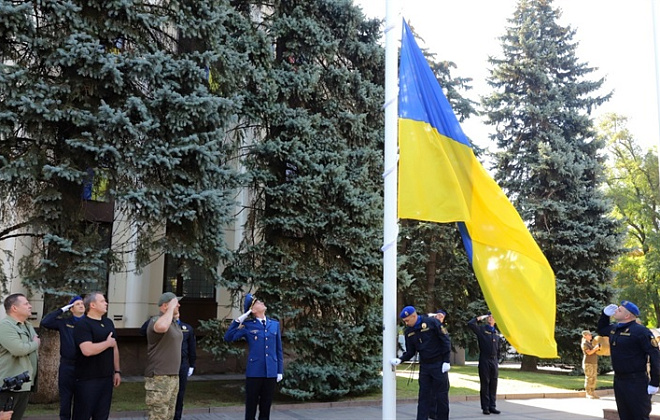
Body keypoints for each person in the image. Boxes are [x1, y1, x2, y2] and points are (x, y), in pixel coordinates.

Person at [597, 300, 660, 420]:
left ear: (627, 316)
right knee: (624, 415)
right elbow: (602, 329)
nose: (616, 310)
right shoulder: (615, 329)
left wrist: (654, 382)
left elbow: (655, 356)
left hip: (636, 381)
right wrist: (604, 315)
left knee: (639, 415)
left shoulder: (641, 332)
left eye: (619, 310)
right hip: (619, 380)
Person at [224, 293, 284, 420]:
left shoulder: (274, 324)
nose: (262, 303)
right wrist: (242, 317)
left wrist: (279, 370)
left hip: (271, 372)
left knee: (265, 407)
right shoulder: (249, 325)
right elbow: (228, 337)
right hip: (255, 371)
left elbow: (278, 349)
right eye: (258, 302)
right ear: (253, 309)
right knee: (251, 406)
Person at [390, 306, 451, 420]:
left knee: (441, 396)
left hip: (439, 364)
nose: (406, 323)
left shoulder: (432, 323)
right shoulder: (409, 331)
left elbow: (445, 340)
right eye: (404, 321)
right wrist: (401, 359)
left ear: (414, 316)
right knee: (423, 397)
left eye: (407, 320)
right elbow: (411, 351)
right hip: (425, 366)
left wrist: (446, 361)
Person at [139, 309, 197, 420]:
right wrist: (156, 319)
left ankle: (177, 417)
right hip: (164, 364)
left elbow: (191, 347)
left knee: (178, 395)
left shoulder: (186, 328)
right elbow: (143, 331)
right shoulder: (159, 323)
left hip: (182, 364)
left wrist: (192, 364)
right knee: (163, 399)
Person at [72, 292, 121, 420]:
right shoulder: (83, 324)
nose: (106, 303)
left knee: (102, 416)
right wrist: (107, 343)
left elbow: (114, 347)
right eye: (102, 301)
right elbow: (87, 350)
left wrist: (117, 371)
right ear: (92, 305)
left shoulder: (108, 322)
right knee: (82, 415)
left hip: (106, 379)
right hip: (87, 380)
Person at [40, 295, 86, 420]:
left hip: (85, 366)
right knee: (66, 398)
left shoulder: (88, 322)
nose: (81, 305)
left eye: (82, 303)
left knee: (82, 398)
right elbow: (45, 322)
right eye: (77, 304)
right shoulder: (65, 323)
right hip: (67, 366)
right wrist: (62, 309)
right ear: (71, 308)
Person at [0, 293, 40, 420]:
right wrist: (35, 343)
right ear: (14, 308)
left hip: (24, 384)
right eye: (26, 304)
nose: (30, 306)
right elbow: (18, 349)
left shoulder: (27, 325)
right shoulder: (5, 326)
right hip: (8, 385)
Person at [144, 292, 183, 420]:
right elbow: (161, 327)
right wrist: (171, 309)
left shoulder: (173, 323)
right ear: (165, 306)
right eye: (175, 303)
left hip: (173, 376)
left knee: (169, 415)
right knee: (158, 416)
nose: (179, 305)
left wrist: (173, 315)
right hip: (159, 376)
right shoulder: (156, 320)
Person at [468, 312, 501, 415]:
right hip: (485, 360)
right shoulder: (482, 330)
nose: (491, 318)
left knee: (493, 383)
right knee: (485, 383)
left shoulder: (496, 332)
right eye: (489, 317)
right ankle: (485, 407)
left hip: (494, 360)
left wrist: (497, 360)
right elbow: (471, 324)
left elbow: (498, 348)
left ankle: (492, 406)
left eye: (493, 317)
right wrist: (481, 317)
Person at [580, 330, 600, 399]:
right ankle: (588, 393)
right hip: (588, 363)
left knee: (594, 378)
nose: (591, 336)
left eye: (591, 335)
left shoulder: (591, 343)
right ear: (585, 336)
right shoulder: (584, 344)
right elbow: (589, 353)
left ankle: (592, 391)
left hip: (594, 362)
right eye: (589, 335)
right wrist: (595, 348)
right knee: (589, 378)